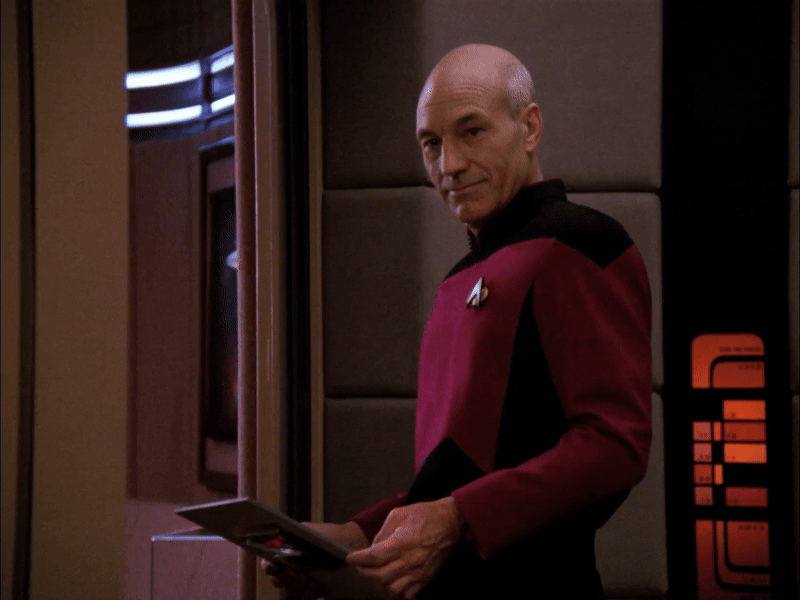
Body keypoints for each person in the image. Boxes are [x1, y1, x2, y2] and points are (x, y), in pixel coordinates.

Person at [264, 43, 652, 599]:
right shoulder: (461, 277)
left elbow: (615, 446)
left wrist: (456, 518)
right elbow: (461, 472)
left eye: (472, 132)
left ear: (530, 128)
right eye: (432, 143)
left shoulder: (579, 242)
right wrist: (357, 535)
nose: (449, 165)